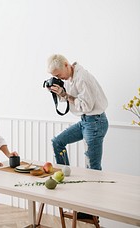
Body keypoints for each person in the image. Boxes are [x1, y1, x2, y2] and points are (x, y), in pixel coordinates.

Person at [46, 54, 109, 220]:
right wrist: (59, 91)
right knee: (57, 142)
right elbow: (72, 102)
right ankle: (64, 176)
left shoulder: (82, 79)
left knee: (93, 167)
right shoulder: (70, 76)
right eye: (55, 77)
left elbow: (86, 105)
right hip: (85, 121)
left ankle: (92, 211)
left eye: (59, 75)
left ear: (67, 65)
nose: (59, 78)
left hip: (95, 121)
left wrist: (66, 95)